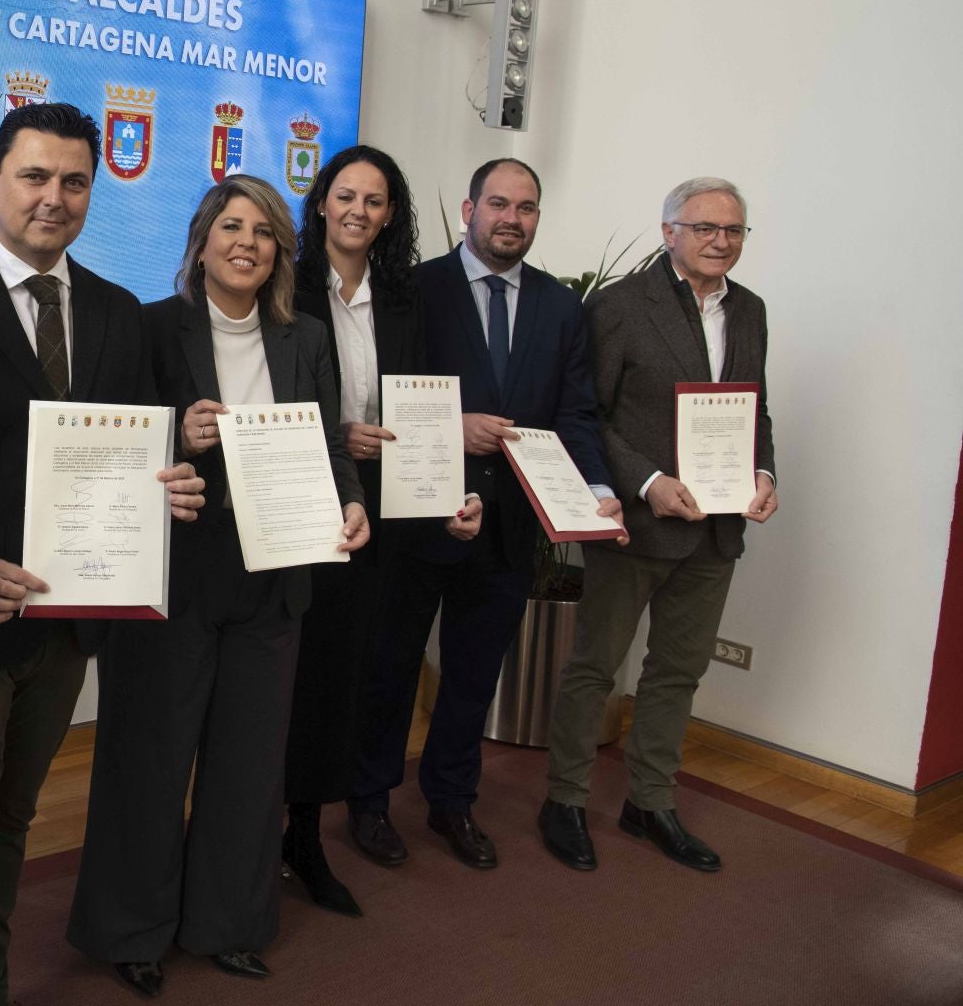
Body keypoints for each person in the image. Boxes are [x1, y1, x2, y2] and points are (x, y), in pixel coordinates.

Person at [0, 101, 205, 1006]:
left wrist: (167, 485)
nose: (52, 198)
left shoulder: (116, 315)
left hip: (68, 629)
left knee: (13, 825)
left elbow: (134, 456)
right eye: (33, 176)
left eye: (72, 181)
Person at [65, 176, 370, 996]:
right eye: (231, 226)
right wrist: (176, 428)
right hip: (174, 573)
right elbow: (105, 441)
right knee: (149, 757)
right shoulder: (149, 326)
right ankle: (131, 928)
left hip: (275, 576)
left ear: (280, 252)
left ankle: (230, 923)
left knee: (249, 762)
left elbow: (332, 446)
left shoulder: (305, 338)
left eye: (265, 231)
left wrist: (350, 501)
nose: (248, 242)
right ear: (200, 242)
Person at [348, 157, 628, 871]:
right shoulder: (411, 288)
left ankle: (451, 801)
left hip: (510, 528)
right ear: (469, 209)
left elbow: (576, 415)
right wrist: (451, 428)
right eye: (498, 204)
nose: (512, 218)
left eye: (526, 207)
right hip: (415, 519)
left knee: (474, 677)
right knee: (392, 668)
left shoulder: (561, 307)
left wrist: (596, 489)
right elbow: (384, 396)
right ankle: (371, 803)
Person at [539, 177, 775, 873]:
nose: (720, 242)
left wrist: (765, 473)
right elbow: (591, 416)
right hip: (638, 525)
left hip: (715, 530)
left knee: (677, 672)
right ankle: (565, 800)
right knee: (595, 668)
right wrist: (647, 483)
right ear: (669, 230)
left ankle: (650, 802)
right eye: (705, 228)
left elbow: (754, 410)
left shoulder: (752, 310)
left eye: (733, 231)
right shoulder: (618, 306)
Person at [281, 146, 481, 915]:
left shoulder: (405, 297)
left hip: (390, 514)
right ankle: (272, 830)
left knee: (365, 670)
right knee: (301, 679)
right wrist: (341, 435)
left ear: (390, 213)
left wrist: (447, 492)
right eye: (345, 195)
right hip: (307, 508)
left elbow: (424, 404)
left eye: (375, 199)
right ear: (321, 203)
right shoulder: (286, 282)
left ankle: (330, 821)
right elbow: (271, 391)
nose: (358, 210)